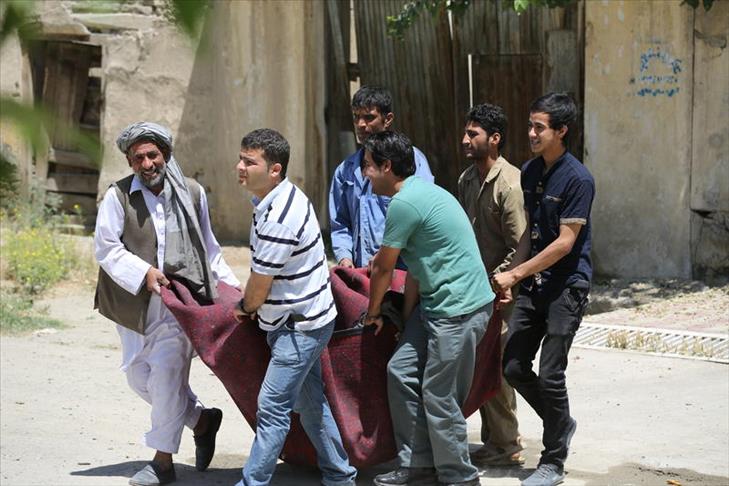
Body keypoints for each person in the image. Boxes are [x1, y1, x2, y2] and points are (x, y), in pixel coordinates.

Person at [94, 122, 240, 486]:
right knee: (138, 377)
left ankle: (162, 462)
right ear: (130, 162)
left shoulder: (192, 193)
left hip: (180, 303)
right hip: (136, 304)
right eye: (138, 158)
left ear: (166, 155)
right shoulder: (118, 196)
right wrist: (143, 272)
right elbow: (106, 248)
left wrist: (232, 292)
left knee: (165, 376)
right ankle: (202, 421)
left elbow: (208, 247)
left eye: (152, 155)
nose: (146, 164)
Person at [362, 131, 494, 486]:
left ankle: (460, 476)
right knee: (401, 370)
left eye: (369, 166)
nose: (365, 174)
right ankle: (417, 463)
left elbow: (382, 268)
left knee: (439, 394)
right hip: (435, 306)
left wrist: (373, 313)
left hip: (459, 311)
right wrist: (407, 322)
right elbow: (417, 271)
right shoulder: (421, 193)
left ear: (387, 167)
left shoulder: (405, 204)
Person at [233, 128, 357, 486]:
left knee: (272, 408)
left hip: (298, 328)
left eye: (249, 162)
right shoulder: (282, 197)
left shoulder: (279, 217)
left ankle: (252, 482)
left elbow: (259, 286)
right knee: (312, 404)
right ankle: (340, 477)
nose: (239, 167)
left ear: (275, 170)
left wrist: (245, 306)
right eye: (241, 159)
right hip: (303, 320)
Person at [493, 93, 595, 486]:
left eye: (540, 127)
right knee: (513, 366)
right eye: (531, 125)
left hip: (567, 286)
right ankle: (561, 422)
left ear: (561, 130)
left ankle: (553, 461)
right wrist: (513, 275)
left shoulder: (578, 179)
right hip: (535, 284)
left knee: (551, 374)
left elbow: (564, 243)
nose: (531, 133)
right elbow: (530, 235)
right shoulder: (531, 171)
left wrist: (516, 275)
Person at [457, 103, 527, 467]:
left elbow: (521, 245)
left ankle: (506, 444)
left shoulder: (510, 184)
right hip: (476, 290)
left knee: (498, 368)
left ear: (495, 139)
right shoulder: (466, 180)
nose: (465, 140)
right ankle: (494, 441)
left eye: (474, 134)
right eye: (466, 132)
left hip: (504, 292)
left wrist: (499, 279)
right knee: (482, 366)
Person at [328, 85, 434, 269]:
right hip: (362, 272)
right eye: (356, 117)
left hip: (403, 273)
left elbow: (421, 217)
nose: (361, 124)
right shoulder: (345, 171)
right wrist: (345, 257)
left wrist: (385, 256)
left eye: (369, 117)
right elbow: (340, 223)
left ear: (388, 119)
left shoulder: (411, 160)